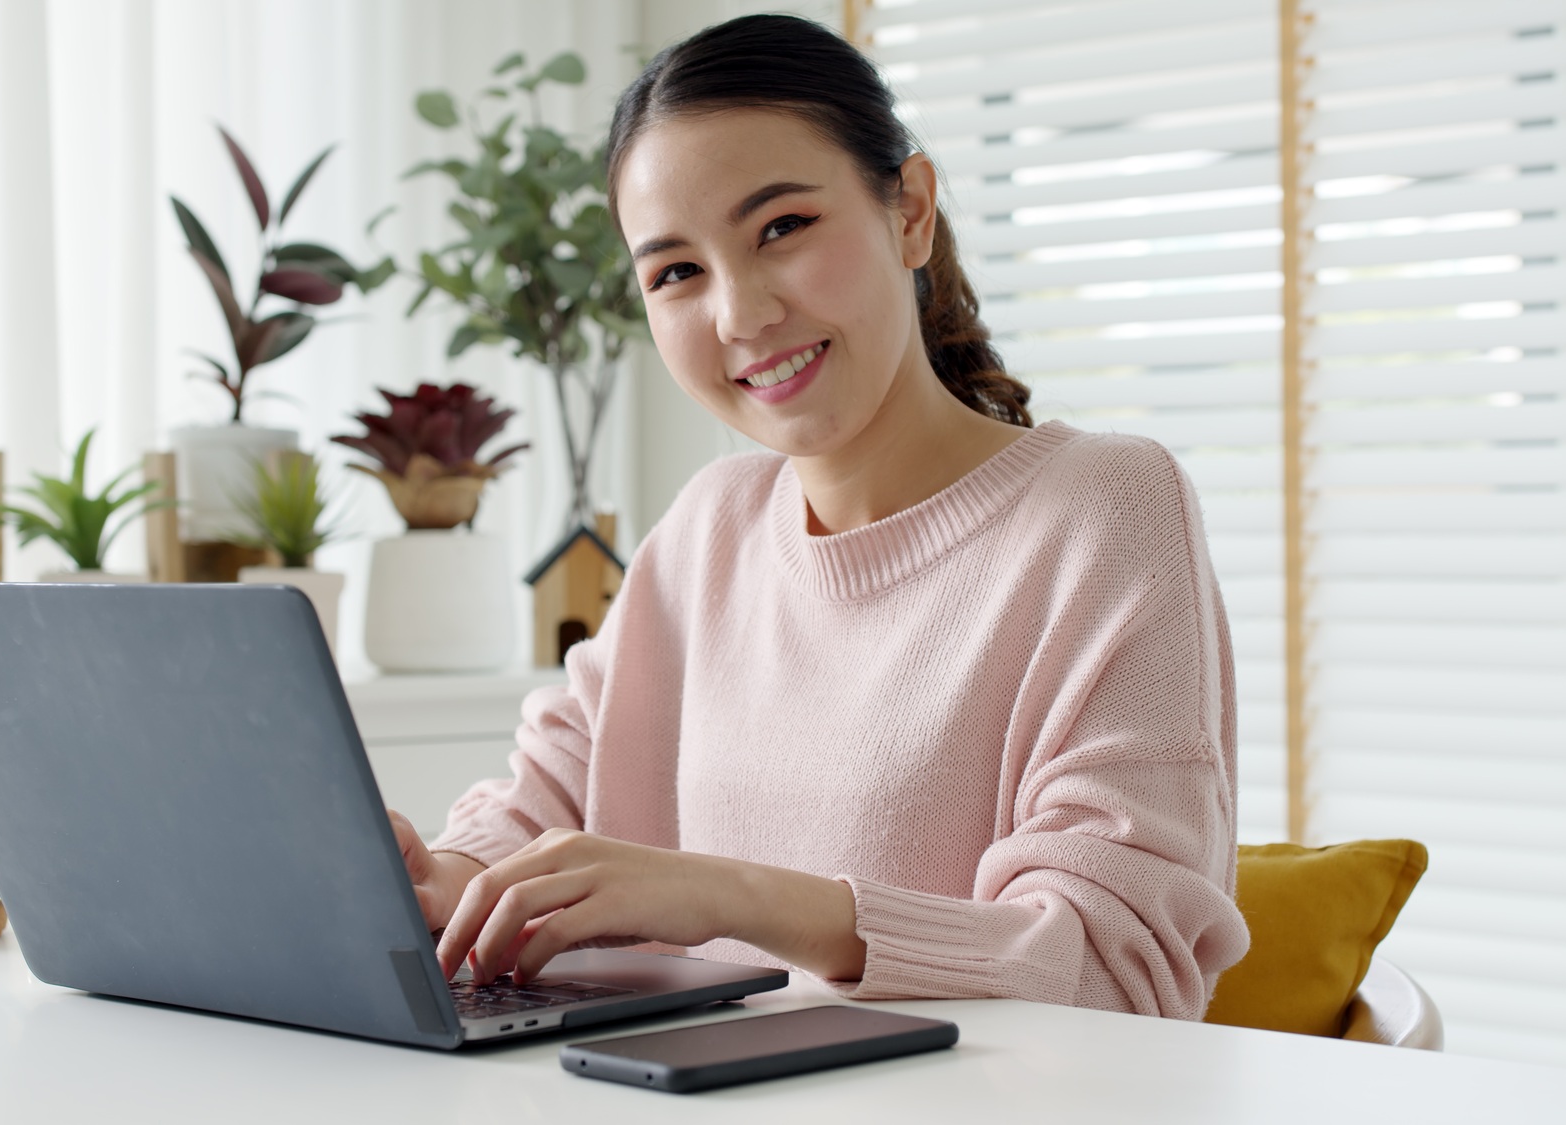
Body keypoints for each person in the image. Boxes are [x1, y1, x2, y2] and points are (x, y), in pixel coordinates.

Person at [390, 12, 1251, 1020]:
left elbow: (1114, 965)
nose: (740, 315)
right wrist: (449, 878)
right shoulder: (705, 529)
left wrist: (730, 895)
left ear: (910, 211)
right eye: (675, 273)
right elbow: (545, 802)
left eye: (782, 228)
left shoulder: (1101, 508)